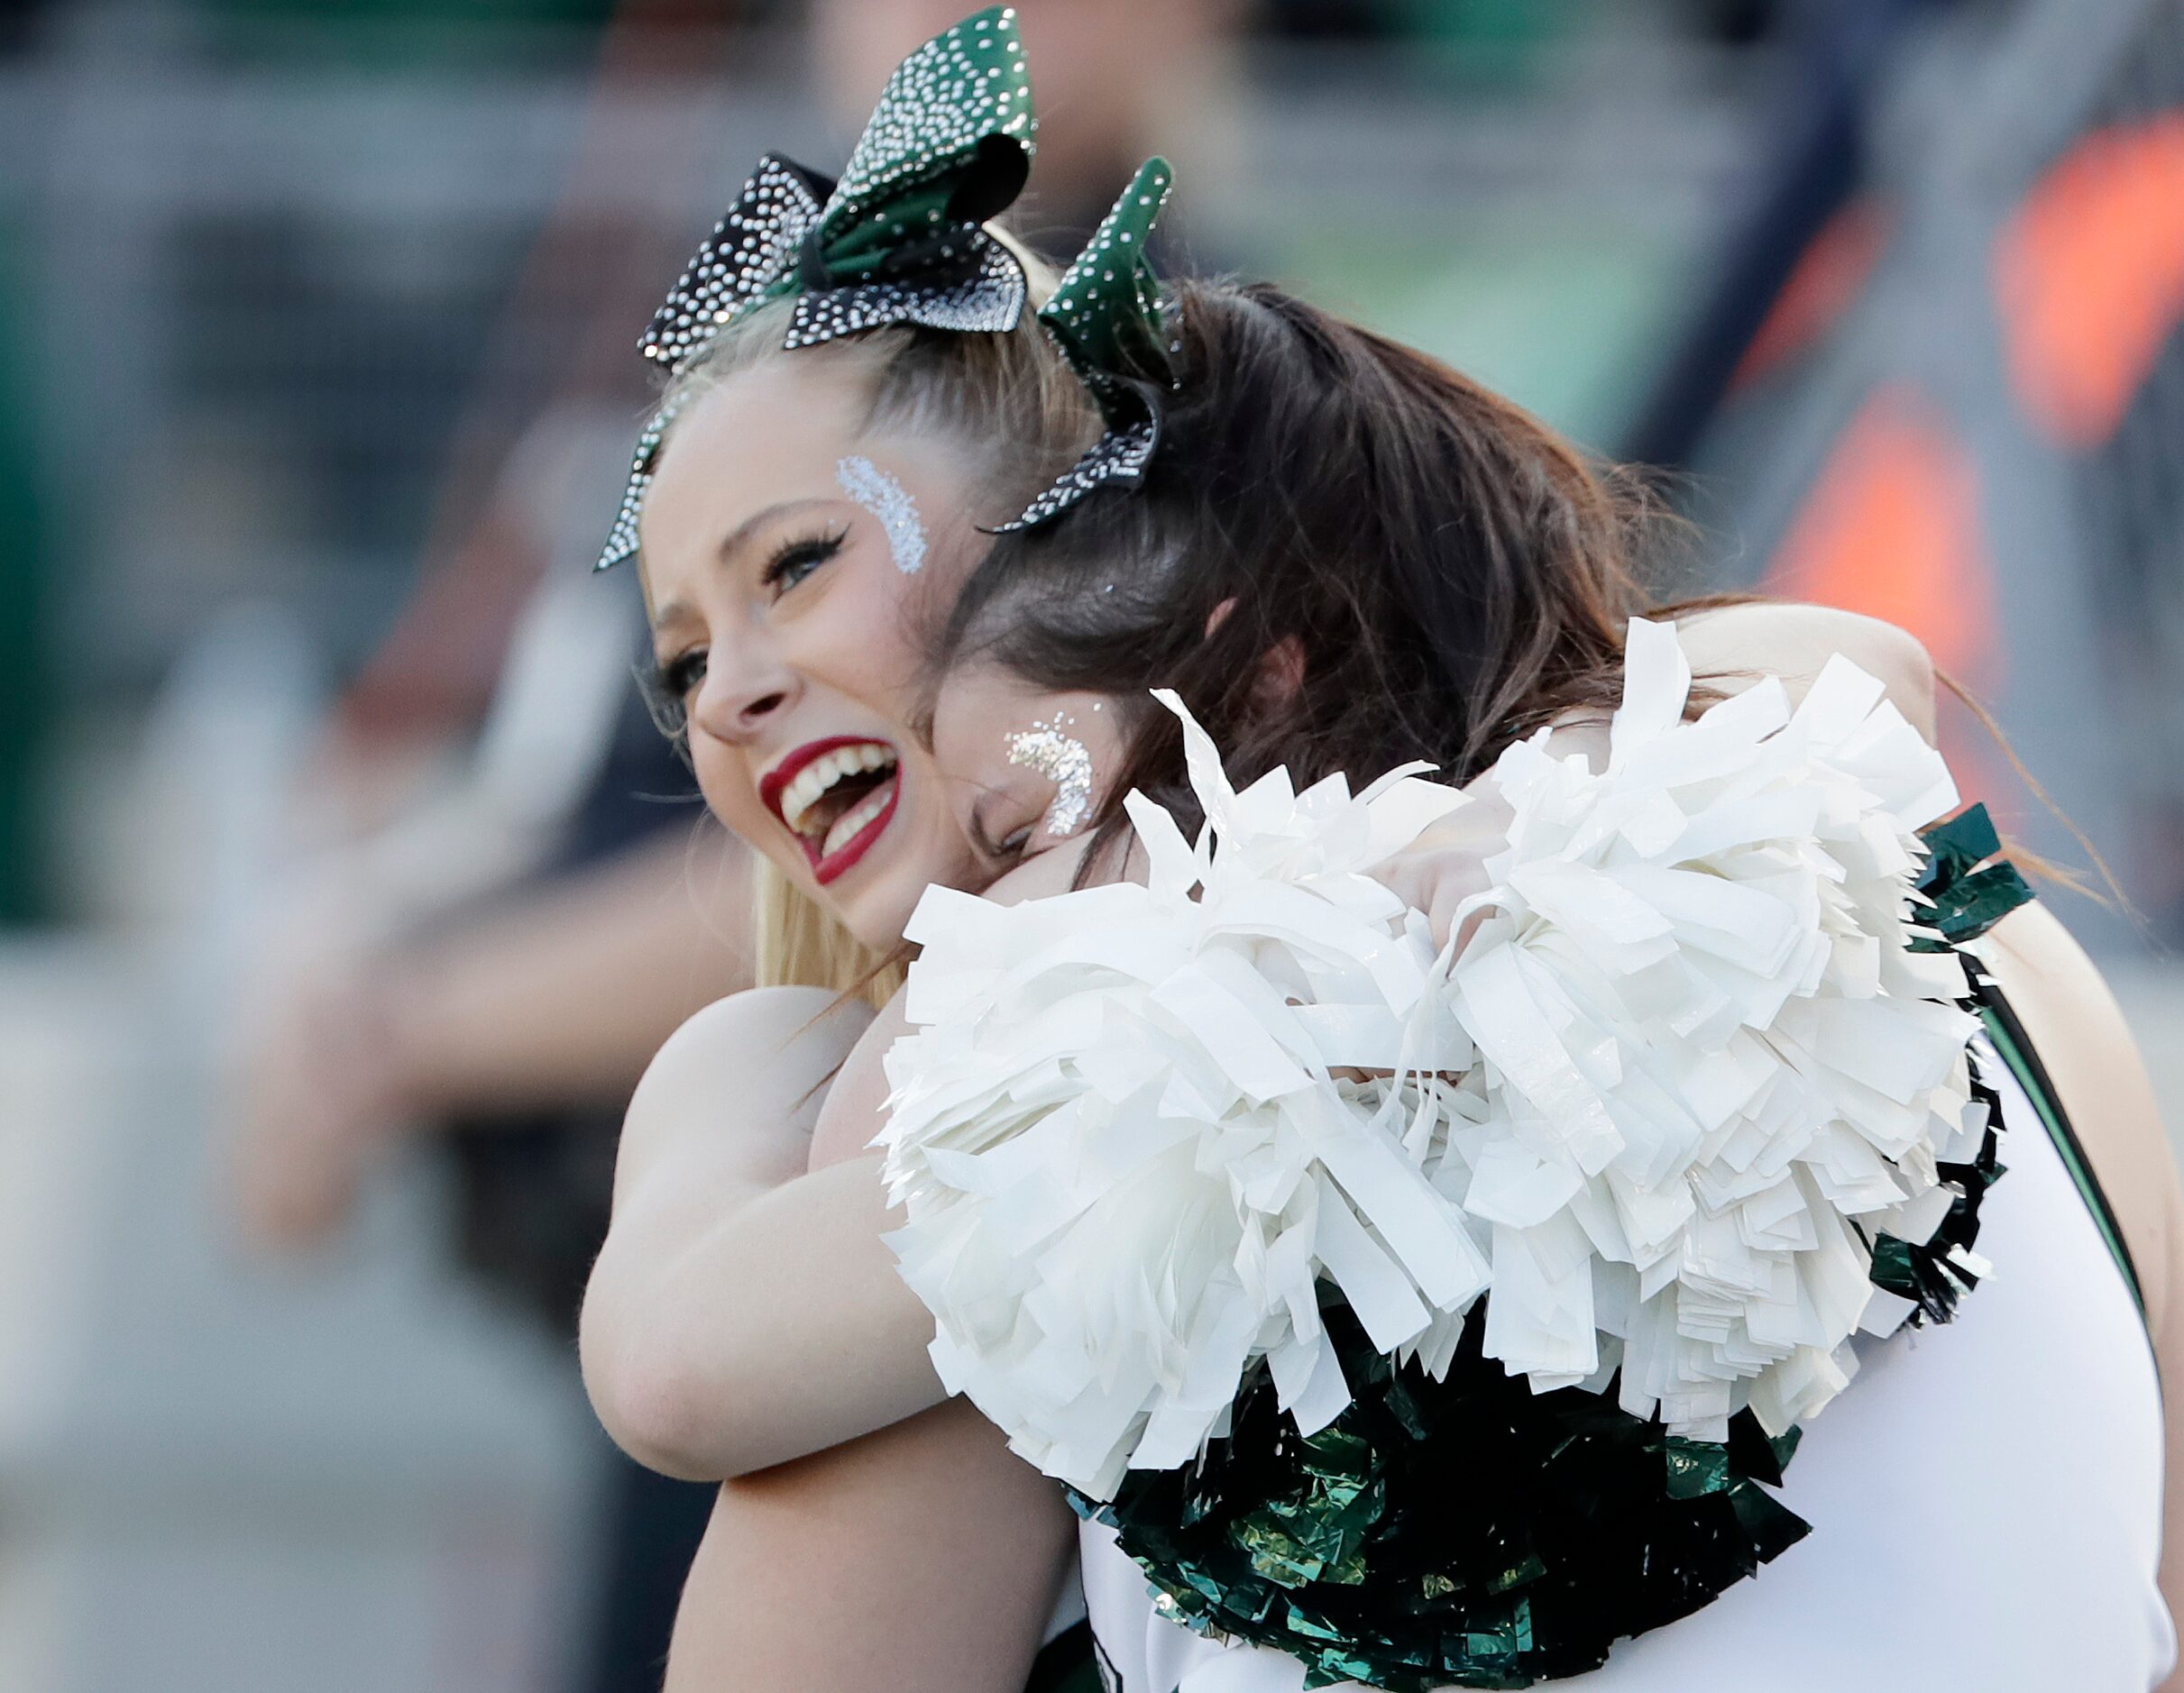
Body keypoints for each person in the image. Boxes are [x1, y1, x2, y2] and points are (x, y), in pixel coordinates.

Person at [581, 13, 2179, 1689]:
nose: (732, 690)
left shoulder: (996, 1101)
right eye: (683, 661)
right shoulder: (960, 1114)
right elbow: (674, 1363)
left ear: (1191, 619)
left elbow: (1836, 662)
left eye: (801, 563)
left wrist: (1523, 818)